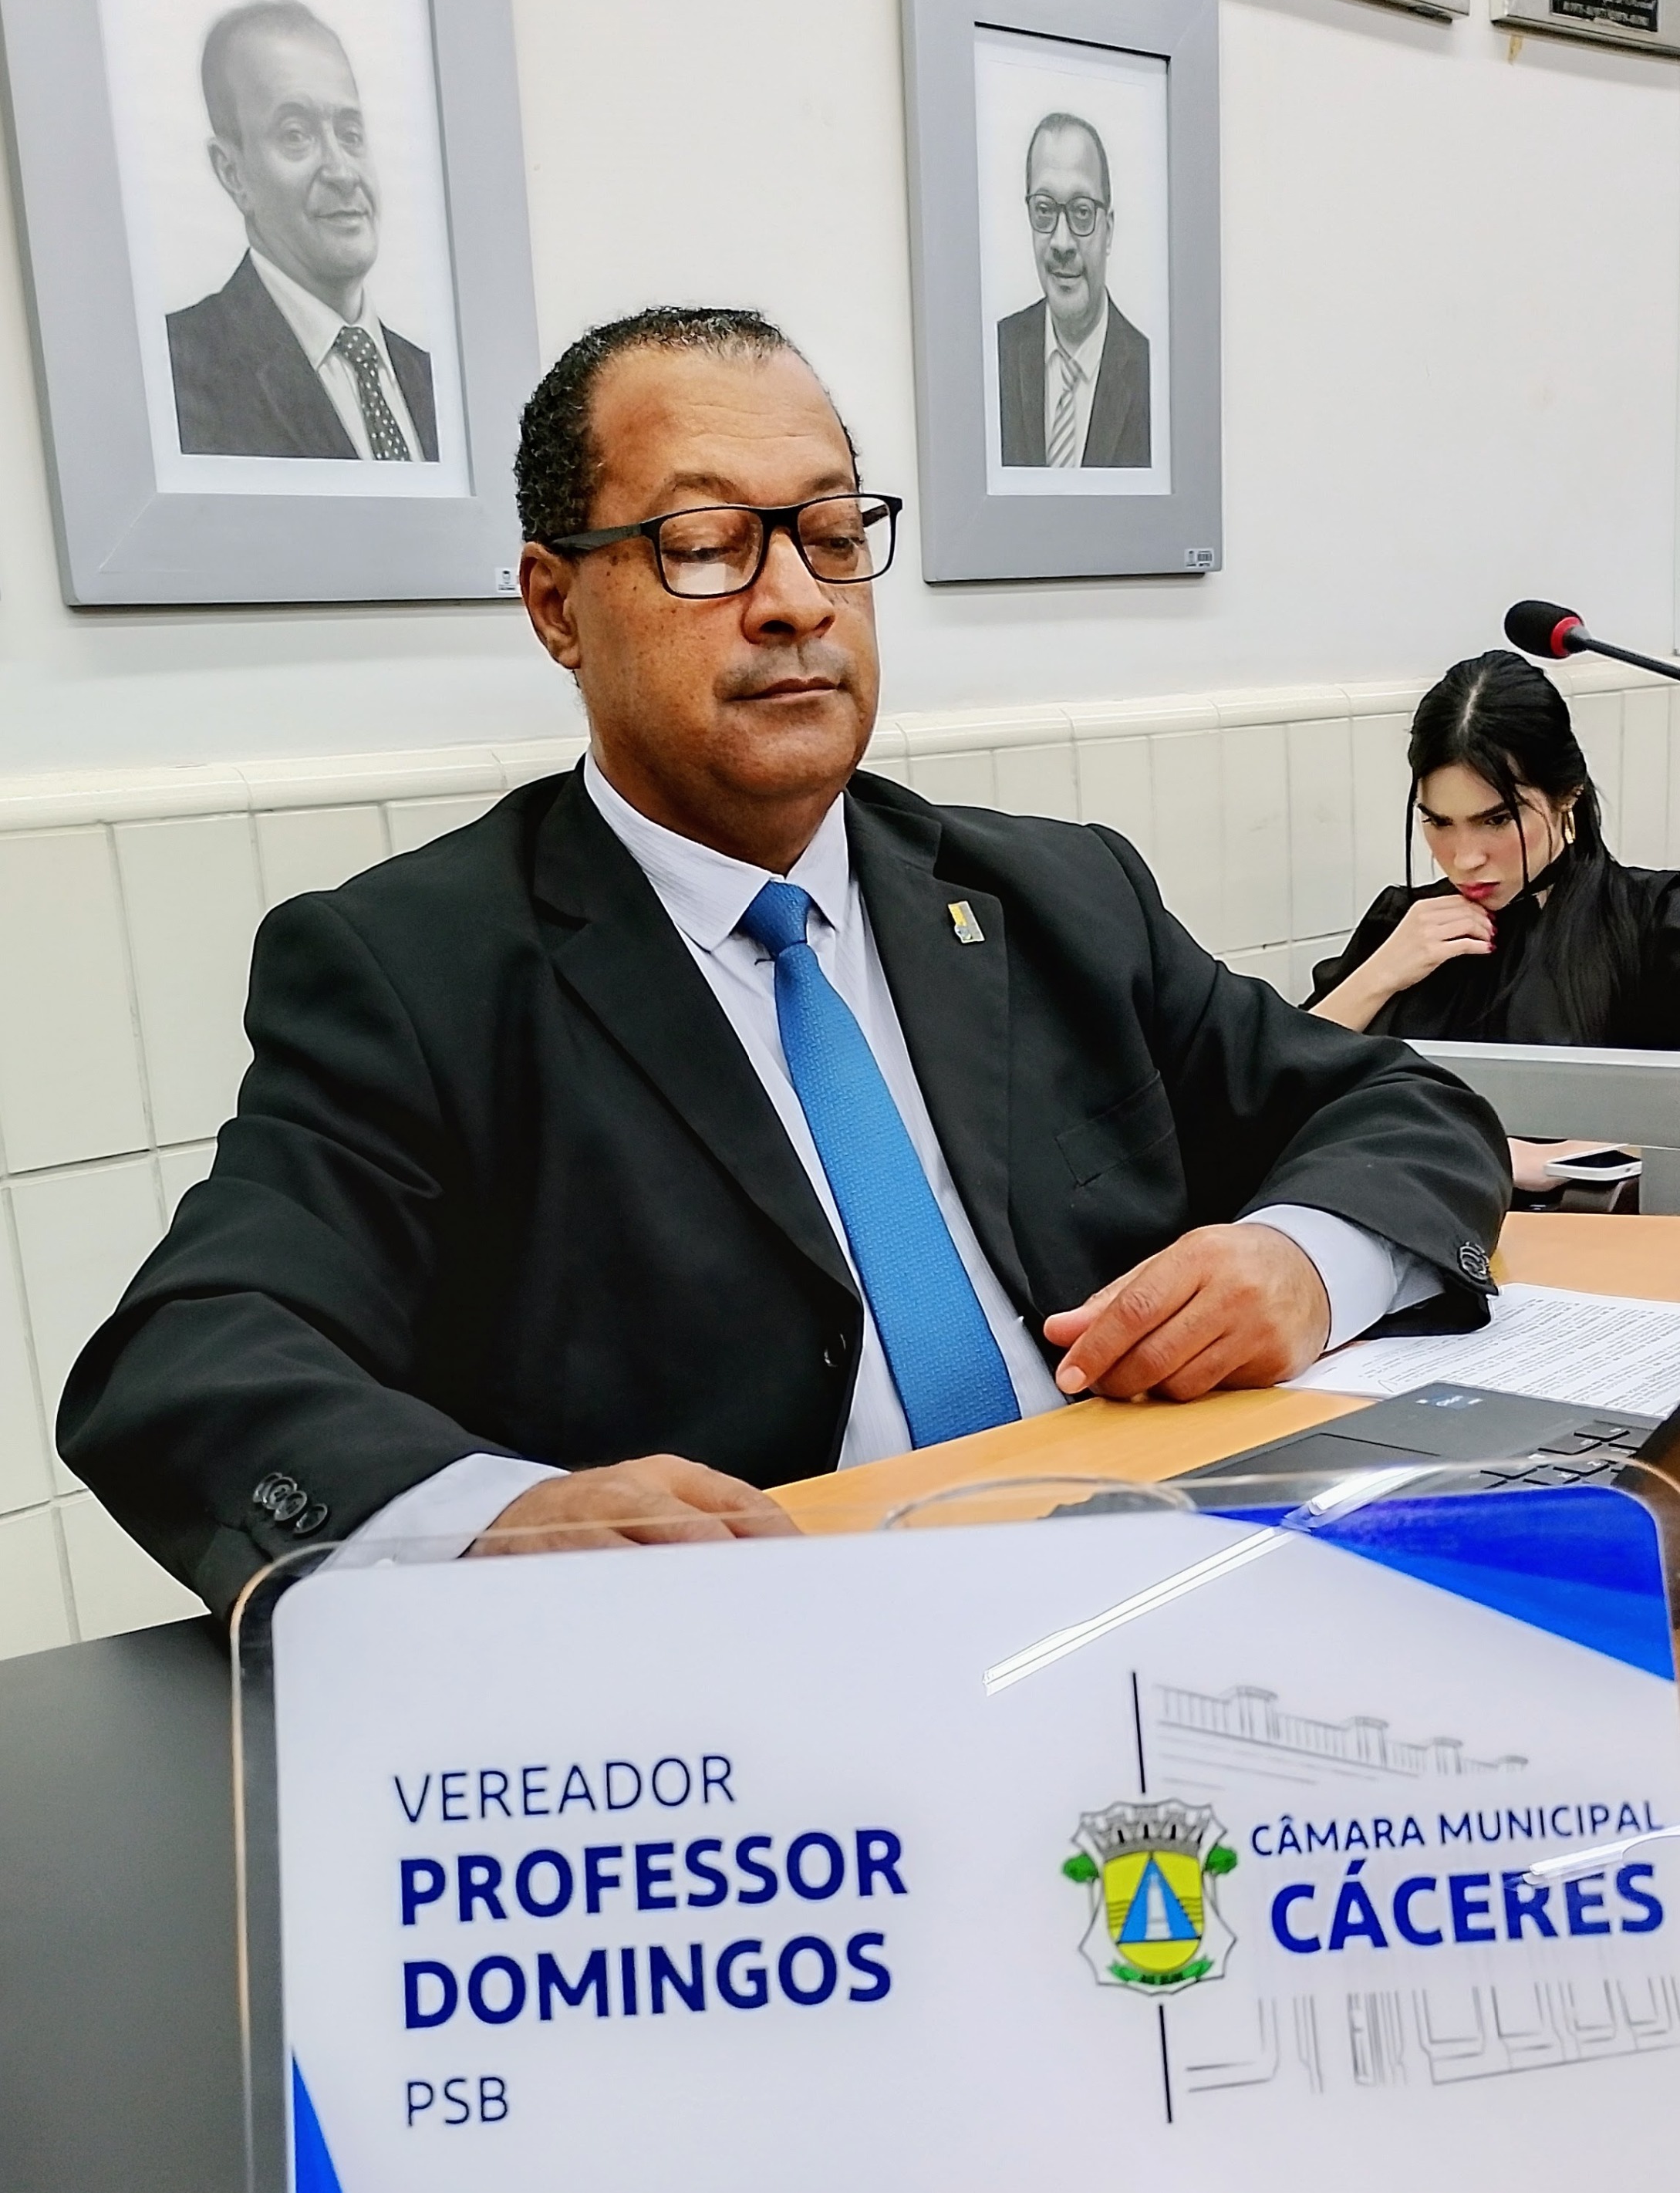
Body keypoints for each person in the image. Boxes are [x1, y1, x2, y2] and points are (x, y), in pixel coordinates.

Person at [59, 305, 1507, 1614]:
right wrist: (494, 1520)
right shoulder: (414, 973)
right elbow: (189, 1360)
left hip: (1152, 1581)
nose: (797, 600)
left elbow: (1402, 1108)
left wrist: (1300, 1262)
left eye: (828, 533)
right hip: (755, 1680)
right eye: (704, 544)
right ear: (556, 606)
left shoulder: (1053, 891)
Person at [1304, 649, 1680, 1182]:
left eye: (1497, 820)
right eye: (1439, 822)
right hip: (1405, 1205)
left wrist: (1567, 1158)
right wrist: (1380, 974)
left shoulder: (1655, 925)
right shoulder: (1403, 923)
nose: (1465, 858)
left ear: (1566, 795)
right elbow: (1274, 1087)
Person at [166, 0, 438, 462]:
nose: (342, 172)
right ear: (232, 172)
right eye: (296, 135)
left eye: (350, 134)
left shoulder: (431, 379)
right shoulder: (181, 372)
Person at [997, 114, 1150, 471]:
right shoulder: (995, 355)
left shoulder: (1151, 374)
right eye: (1045, 210)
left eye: (1082, 212)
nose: (1062, 242)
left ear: (1108, 230)